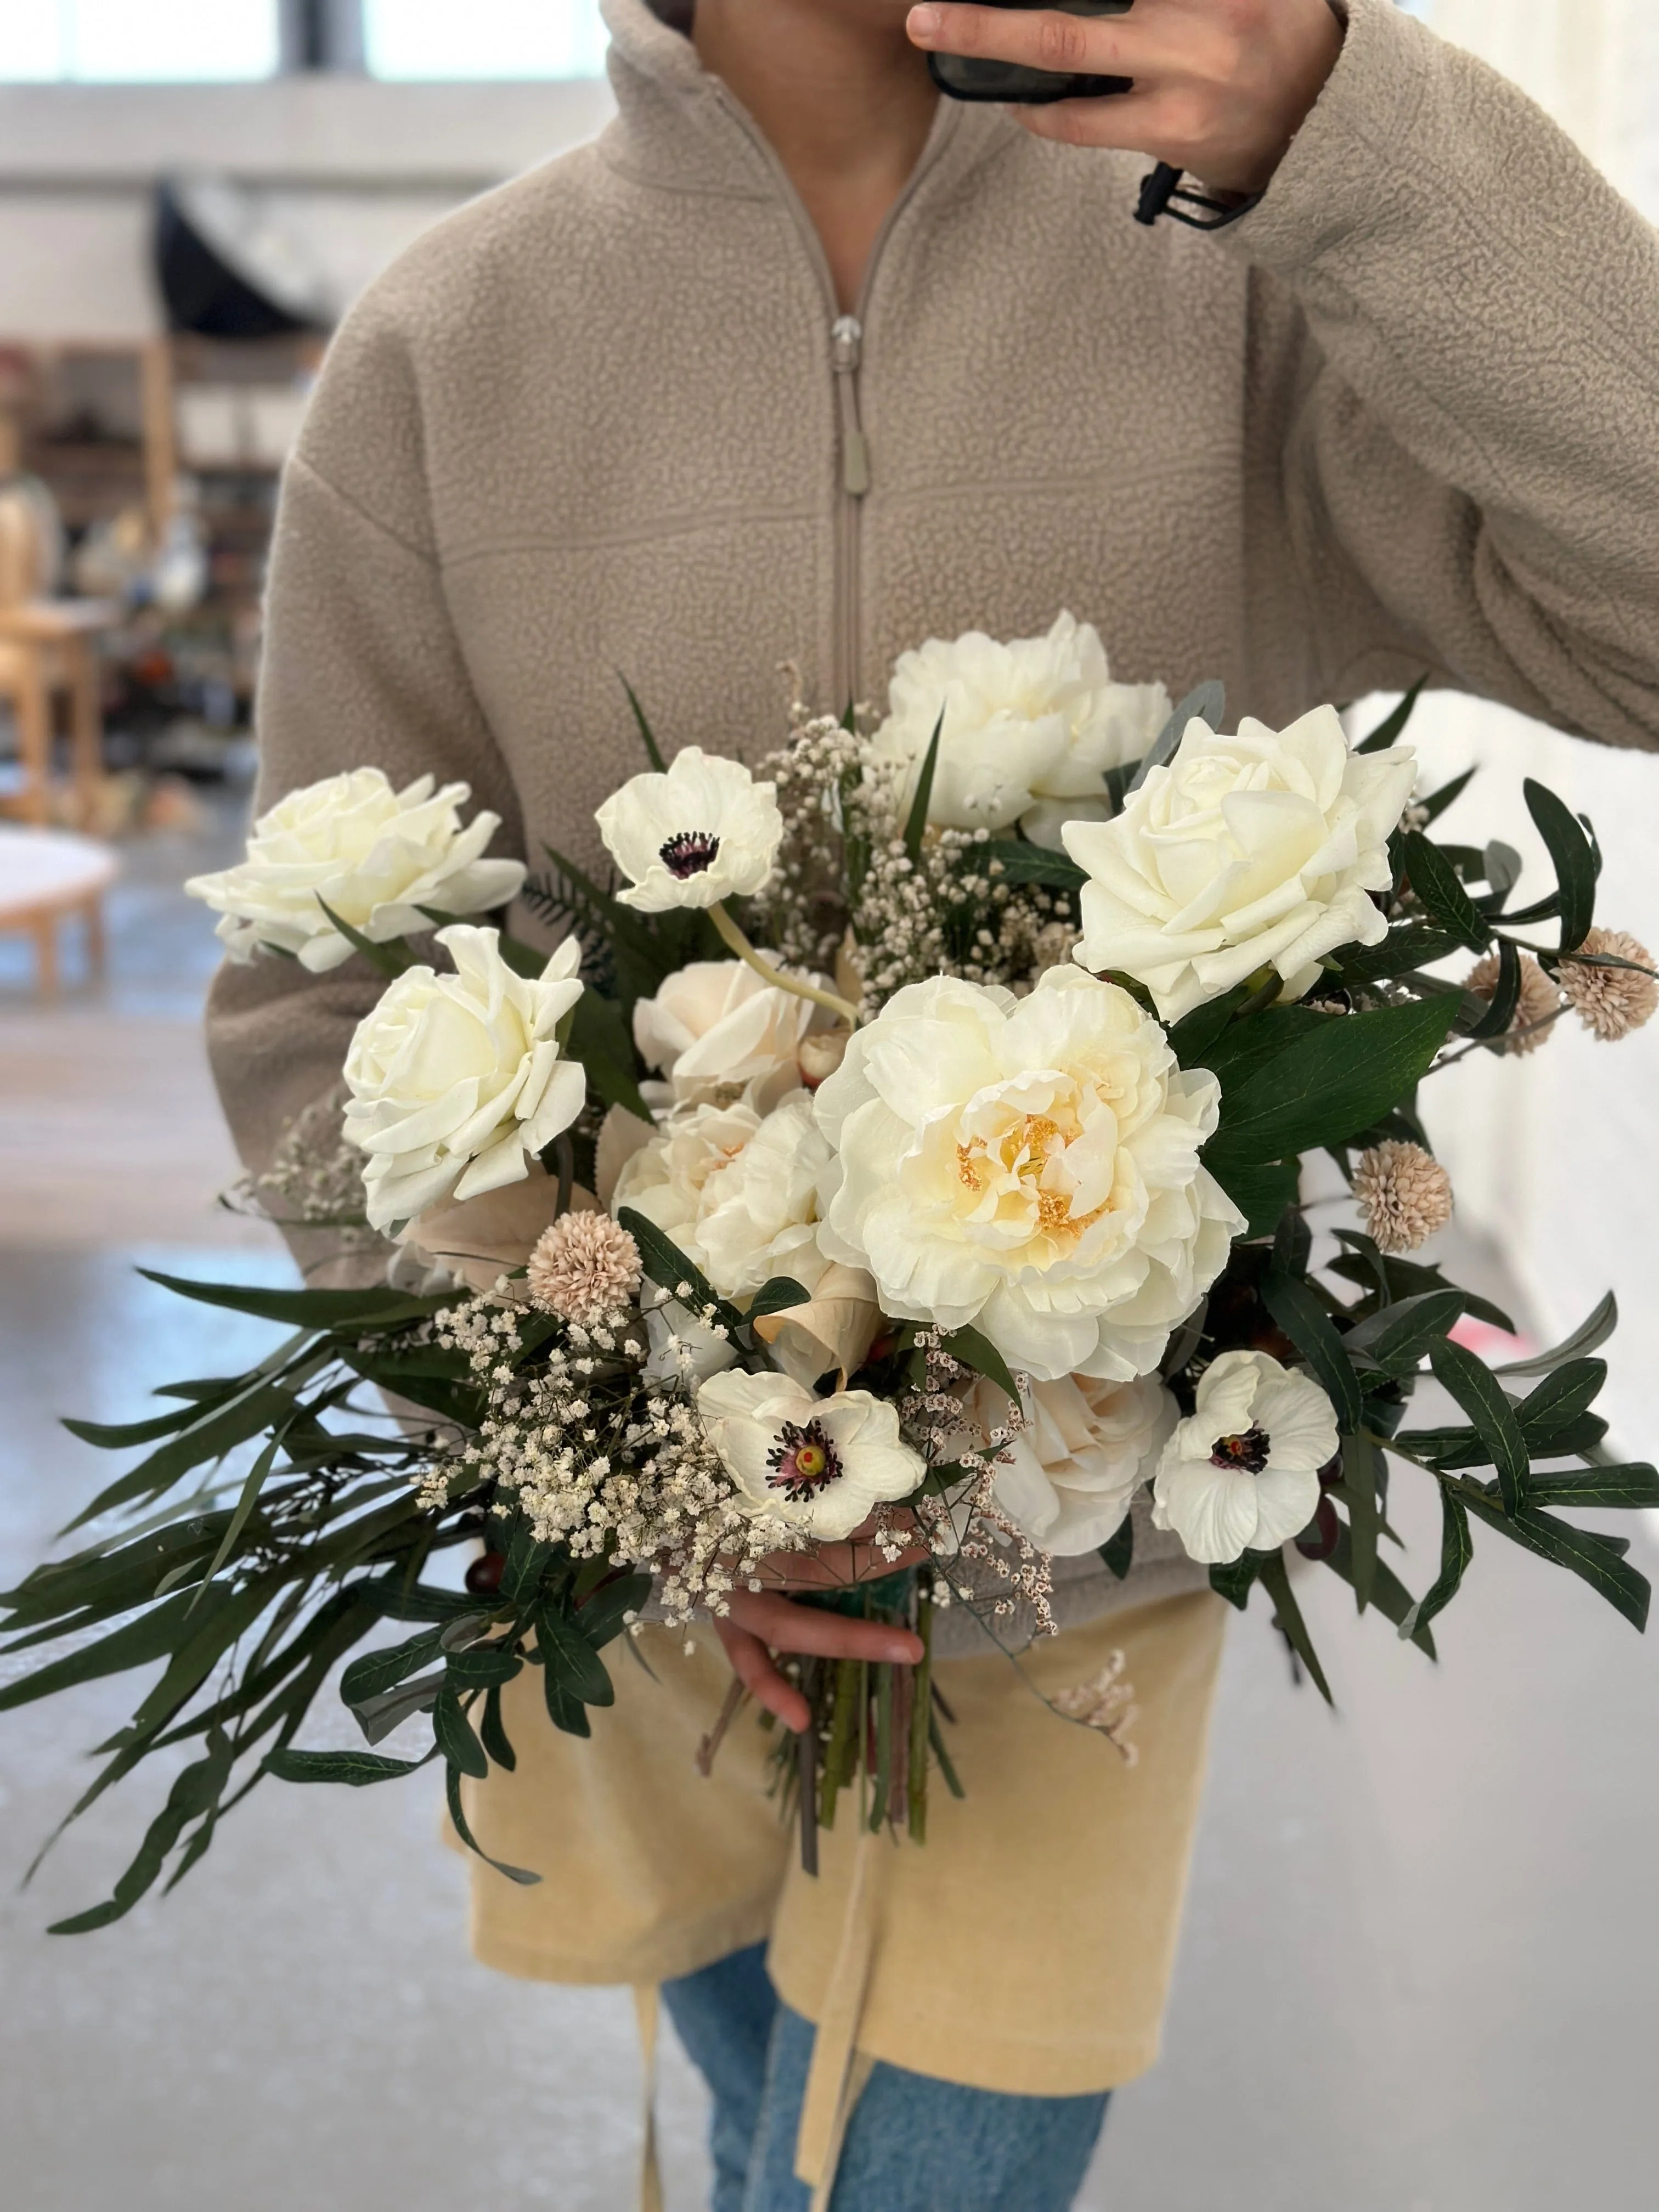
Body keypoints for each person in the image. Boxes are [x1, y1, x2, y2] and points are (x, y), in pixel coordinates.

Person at [207, 2, 1659, 2205]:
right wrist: (616, 1492)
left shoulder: (1248, 290)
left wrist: (1356, 129)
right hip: (638, 1566)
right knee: (758, 2132)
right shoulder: (449, 349)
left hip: (1087, 1546)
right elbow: (316, 1005)